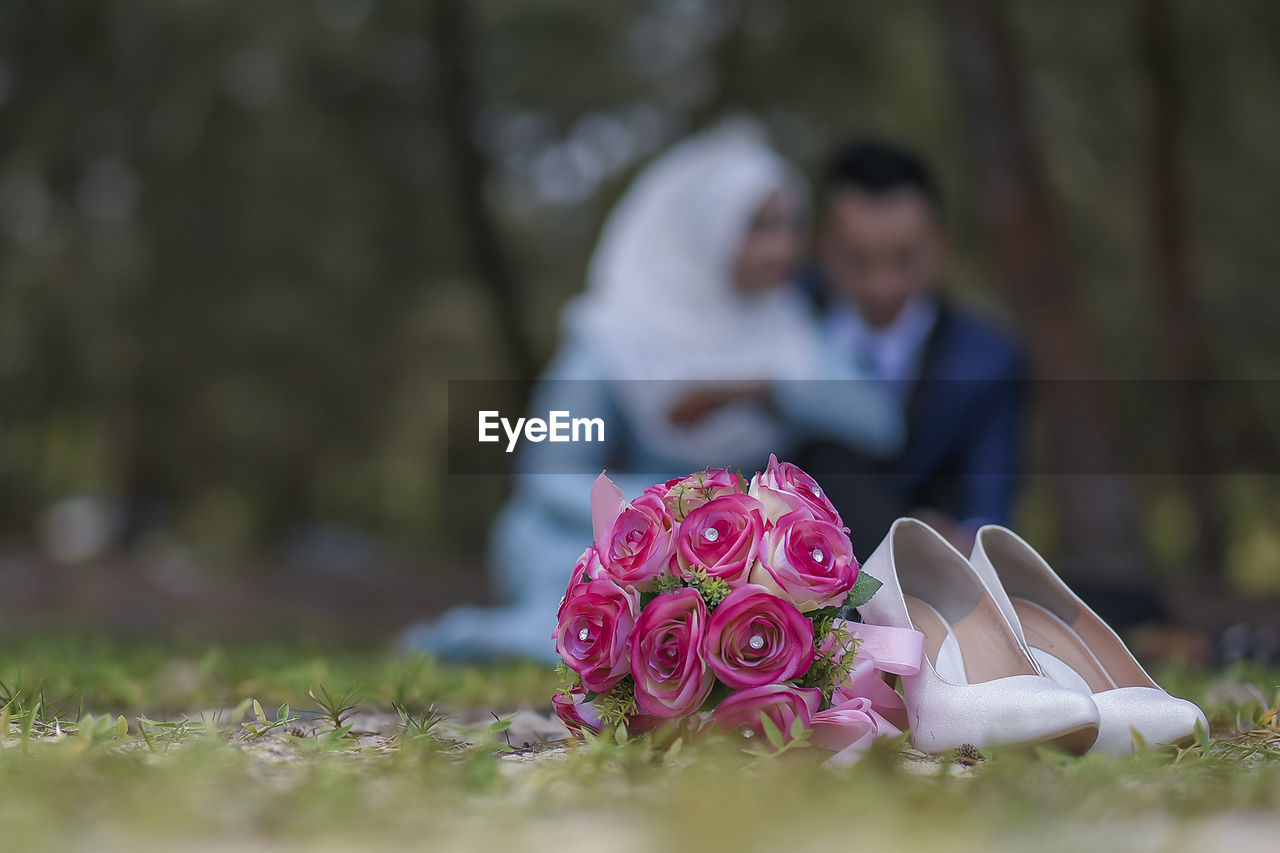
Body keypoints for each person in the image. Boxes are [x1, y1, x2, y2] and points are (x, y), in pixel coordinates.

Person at [402, 120, 902, 663]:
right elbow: (546, 470)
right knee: (575, 571)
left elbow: (879, 424)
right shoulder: (615, 335)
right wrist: (670, 515)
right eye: (758, 227)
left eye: (789, 226)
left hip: (726, 550)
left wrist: (754, 391)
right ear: (708, 231)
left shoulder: (788, 332)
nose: (783, 247)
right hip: (613, 533)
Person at [795, 138, 1029, 558]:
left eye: (905, 259)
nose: (882, 284)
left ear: (941, 242)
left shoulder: (990, 360)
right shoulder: (780, 320)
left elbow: (990, 507)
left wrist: (963, 540)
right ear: (822, 246)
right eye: (858, 261)